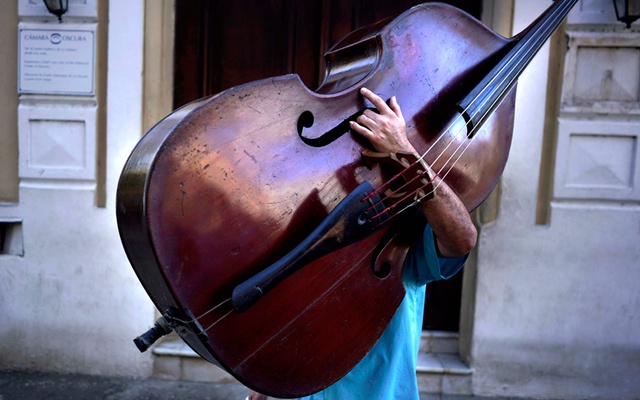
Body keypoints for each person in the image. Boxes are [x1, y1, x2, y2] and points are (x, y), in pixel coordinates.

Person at [248, 87, 477, 400]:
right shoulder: (309, 216)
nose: (353, 171)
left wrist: (407, 156)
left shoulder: (402, 234)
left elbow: (463, 238)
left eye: (367, 161)